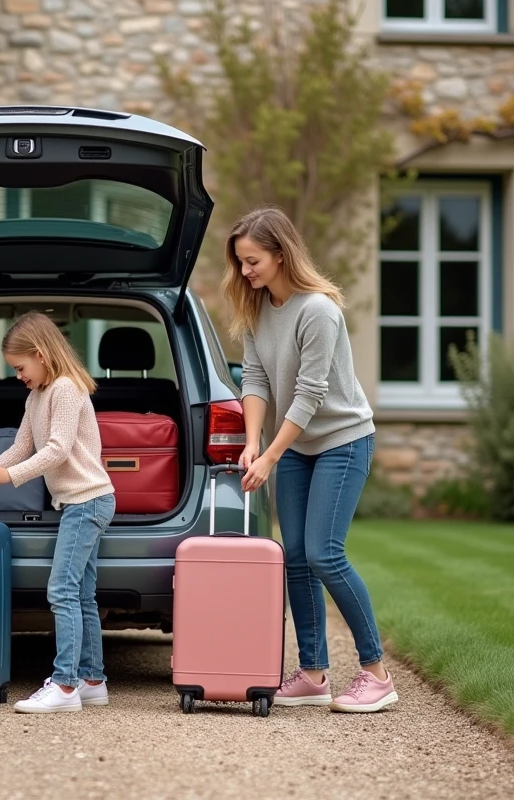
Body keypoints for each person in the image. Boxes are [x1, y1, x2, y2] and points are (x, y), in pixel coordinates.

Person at [224, 206, 399, 713]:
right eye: (240, 262)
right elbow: (254, 378)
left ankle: (377, 674)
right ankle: (313, 673)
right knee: (295, 557)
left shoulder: (318, 311)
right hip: (297, 446)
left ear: (280, 254)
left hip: (342, 441)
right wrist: (253, 442)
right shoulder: (257, 309)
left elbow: (310, 393)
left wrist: (270, 456)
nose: (245, 271)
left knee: (324, 554)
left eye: (253, 261)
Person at [0, 311, 116, 713]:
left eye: (21, 367)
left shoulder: (66, 389)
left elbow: (57, 449)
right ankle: (93, 681)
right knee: (82, 594)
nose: (18, 375)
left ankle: (65, 686)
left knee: (62, 590)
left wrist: (12, 476)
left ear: (40, 354)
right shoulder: (37, 395)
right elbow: (21, 447)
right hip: (81, 501)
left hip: (88, 501)